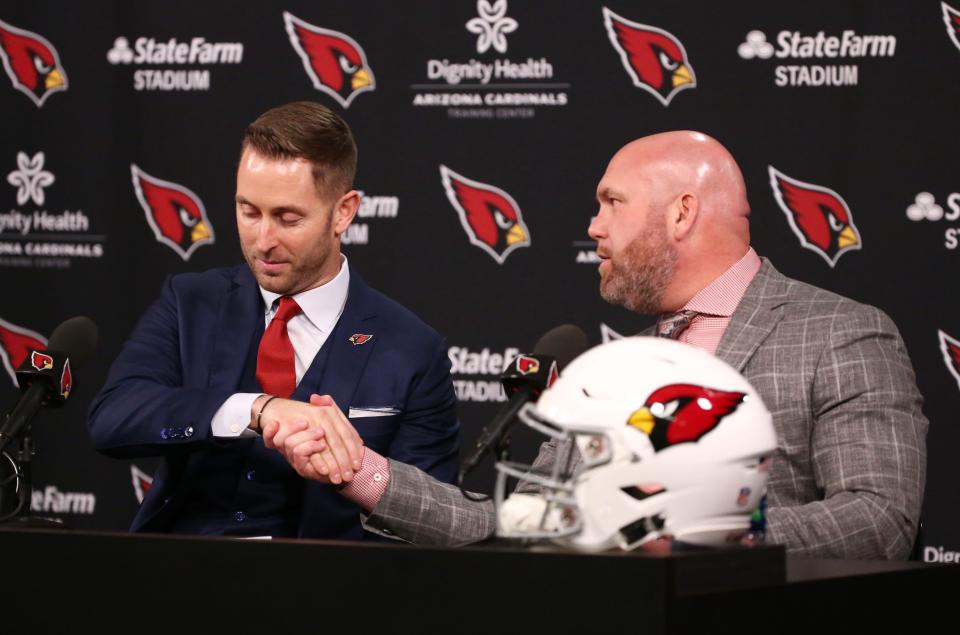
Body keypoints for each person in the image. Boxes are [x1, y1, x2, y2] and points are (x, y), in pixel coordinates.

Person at [273, 130, 928, 559]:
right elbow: (512, 524)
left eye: (611, 202)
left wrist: (698, 532)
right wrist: (364, 471)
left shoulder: (838, 332)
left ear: (681, 212)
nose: (592, 227)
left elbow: (879, 521)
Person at [87, 101, 459, 539]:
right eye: (249, 211)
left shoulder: (412, 348)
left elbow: (432, 521)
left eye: (288, 218)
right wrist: (256, 408)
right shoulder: (189, 301)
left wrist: (350, 469)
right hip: (180, 581)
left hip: (328, 595)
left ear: (344, 211)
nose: (263, 241)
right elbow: (112, 418)